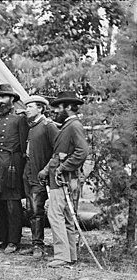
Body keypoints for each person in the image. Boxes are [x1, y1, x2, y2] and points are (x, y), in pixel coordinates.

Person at [38, 91, 89, 268]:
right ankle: (70, 255)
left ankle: (61, 256)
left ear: (68, 107)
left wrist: (62, 168)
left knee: (55, 215)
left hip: (64, 180)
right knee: (67, 217)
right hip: (60, 179)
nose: (55, 111)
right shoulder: (67, 126)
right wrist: (46, 170)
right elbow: (57, 154)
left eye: (58, 107)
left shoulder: (74, 126)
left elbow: (82, 152)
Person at [0, 84, 29, 254]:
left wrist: (17, 167)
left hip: (11, 165)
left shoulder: (19, 119)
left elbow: (22, 146)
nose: (0, 101)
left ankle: (13, 241)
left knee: (12, 204)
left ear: (12, 99)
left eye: (3, 97)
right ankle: (1, 238)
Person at [21, 95, 59, 258]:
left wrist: (46, 170)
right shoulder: (33, 126)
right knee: (30, 209)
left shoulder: (48, 126)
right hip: (29, 172)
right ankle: (35, 243)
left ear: (40, 108)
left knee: (37, 210)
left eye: (30, 107)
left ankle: (39, 246)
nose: (27, 109)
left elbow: (58, 151)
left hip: (40, 175)